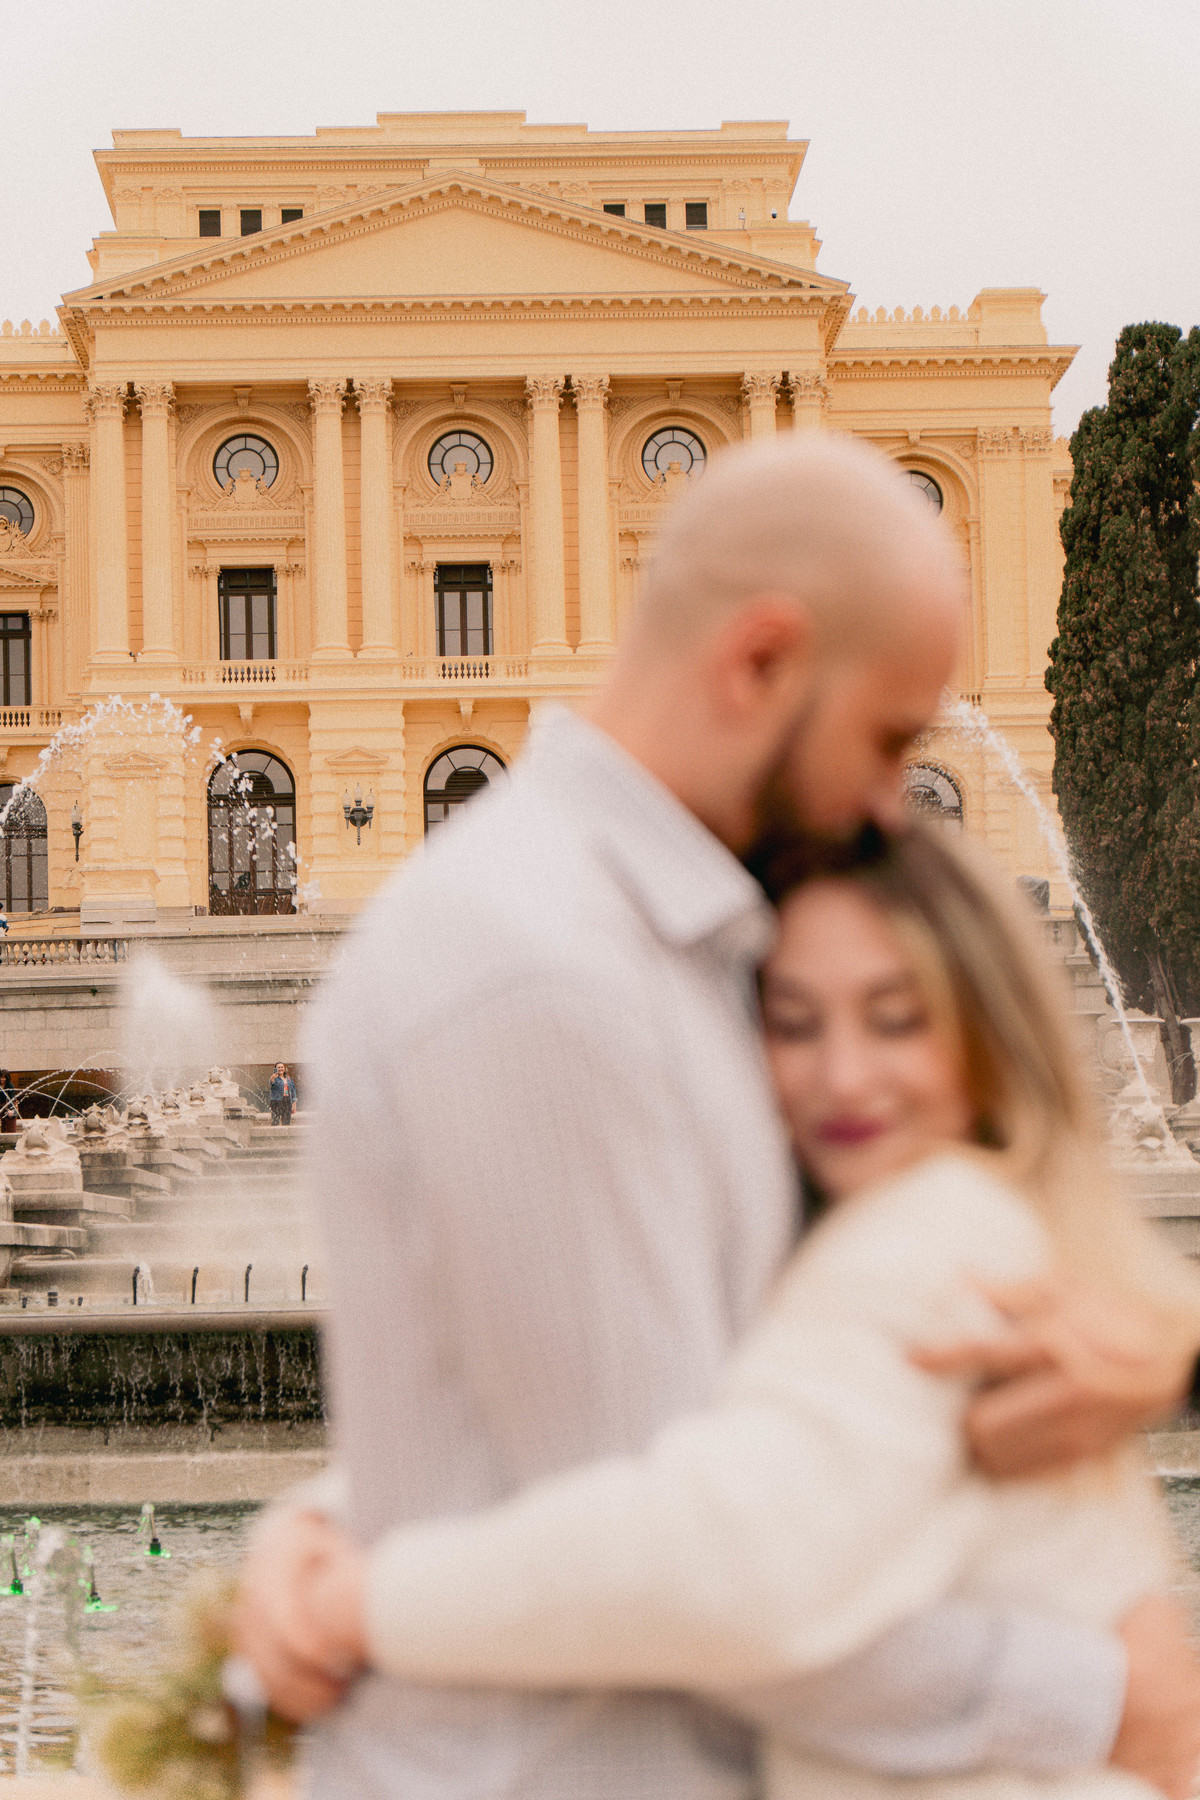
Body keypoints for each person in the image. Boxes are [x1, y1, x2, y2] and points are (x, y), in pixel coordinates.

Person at [235, 435, 1200, 1800]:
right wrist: (1108, 1700)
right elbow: (686, 1574)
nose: (892, 803)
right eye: (889, 740)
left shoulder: (689, 937)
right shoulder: (537, 966)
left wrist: (342, 1525)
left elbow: (664, 1420)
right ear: (760, 661)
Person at [269, 1062, 296, 1127]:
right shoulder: (274, 1078)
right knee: (275, 1121)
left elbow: (293, 1090)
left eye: (282, 1067)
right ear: (275, 1069)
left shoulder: (289, 1079)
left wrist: (294, 1102)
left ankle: (286, 1132)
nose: (280, 1069)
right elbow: (271, 1082)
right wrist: (272, 1078)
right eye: (278, 1067)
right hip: (276, 1101)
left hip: (287, 1100)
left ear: (284, 1068)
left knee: (286, 1121)